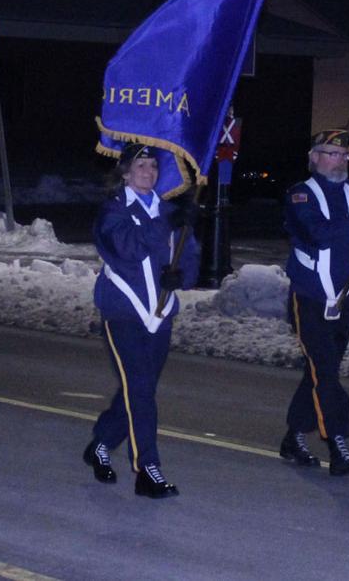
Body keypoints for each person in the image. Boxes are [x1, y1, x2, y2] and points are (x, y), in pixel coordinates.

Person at [84, 143, 200, 499]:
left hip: (160, 315)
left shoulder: (167, 210)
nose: (148, 172)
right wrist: (166, 220)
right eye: (141, 166)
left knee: (140, 390)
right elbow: (128, 249)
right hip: (123, 313)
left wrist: (180, 277)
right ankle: (147, 468)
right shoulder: (113, 212)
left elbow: (189, 253)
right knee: (141, 390)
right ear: (124, 172)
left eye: (153, 166)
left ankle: (101, 443)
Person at [279, 129, 349, 476]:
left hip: (346, 298)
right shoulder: (300, 195)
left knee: (321, 371)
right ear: (313, 157)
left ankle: (294, 435)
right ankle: (338, 443)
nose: (339, 160)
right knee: (325, 370)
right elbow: (317, 234)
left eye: (343, 156)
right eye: (330, 153)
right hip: (309, 297)